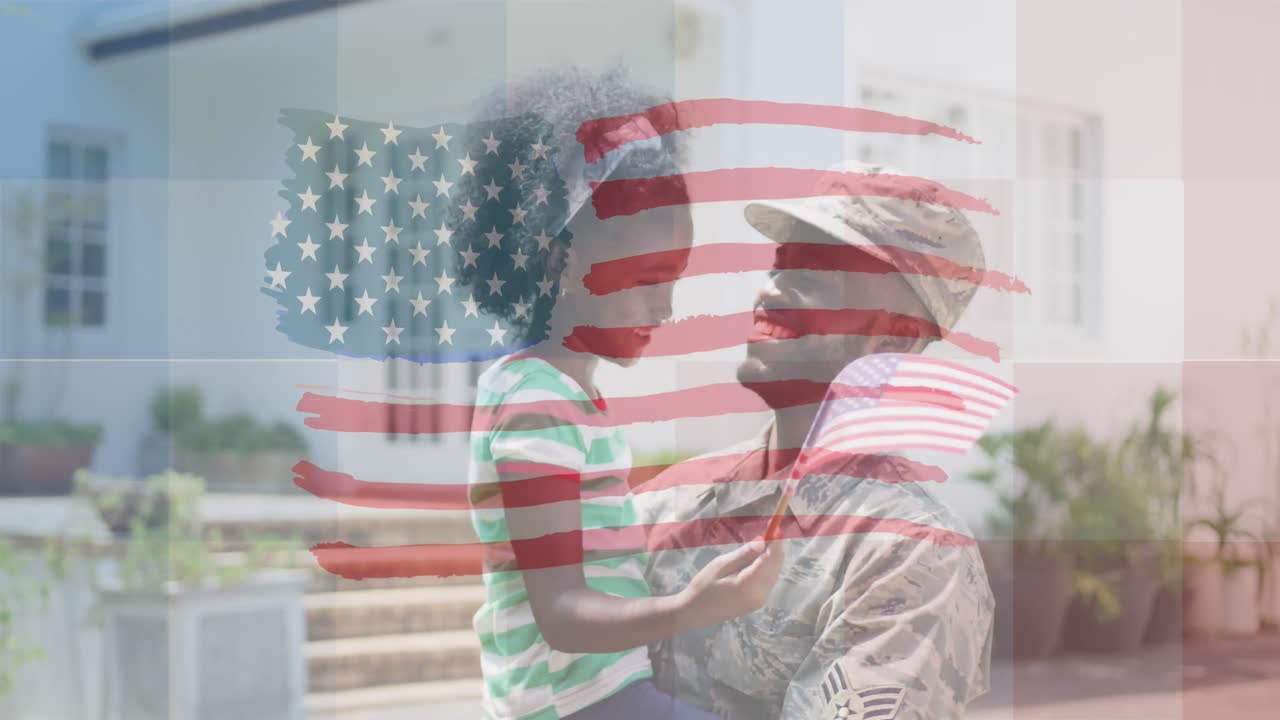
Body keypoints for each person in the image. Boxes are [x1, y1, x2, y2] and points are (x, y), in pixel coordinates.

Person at [463, 66, 785, 720]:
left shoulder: (568, 399)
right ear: (558, 262)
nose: (665, 307)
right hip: (577, 705)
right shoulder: (535, 399)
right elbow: (560, 615)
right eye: (645, 279)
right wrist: (690, 608)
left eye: (675, 279)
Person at [640, 163, 997, 720]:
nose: (772, 290)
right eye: (781, 264)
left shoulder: (910, 553)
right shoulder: (663, 505)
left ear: (896, 336)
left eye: (815, 273)